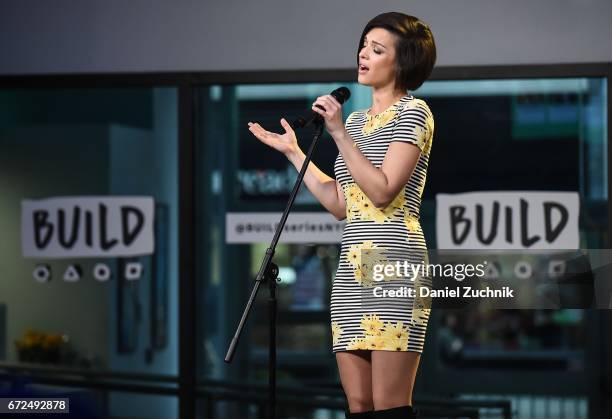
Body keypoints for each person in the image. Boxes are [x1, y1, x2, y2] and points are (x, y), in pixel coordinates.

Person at [248, 11, 436, 419]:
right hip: (352, 270)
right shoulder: (354, 121)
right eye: (364, 45)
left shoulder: (414, 113)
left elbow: (383, 190)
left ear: (402, 62)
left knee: (389, 405)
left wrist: (337, 133)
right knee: (359, 405)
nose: (363, 54)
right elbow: (340, 202)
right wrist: (294, 152)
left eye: (377, 49)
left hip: (393, 266)